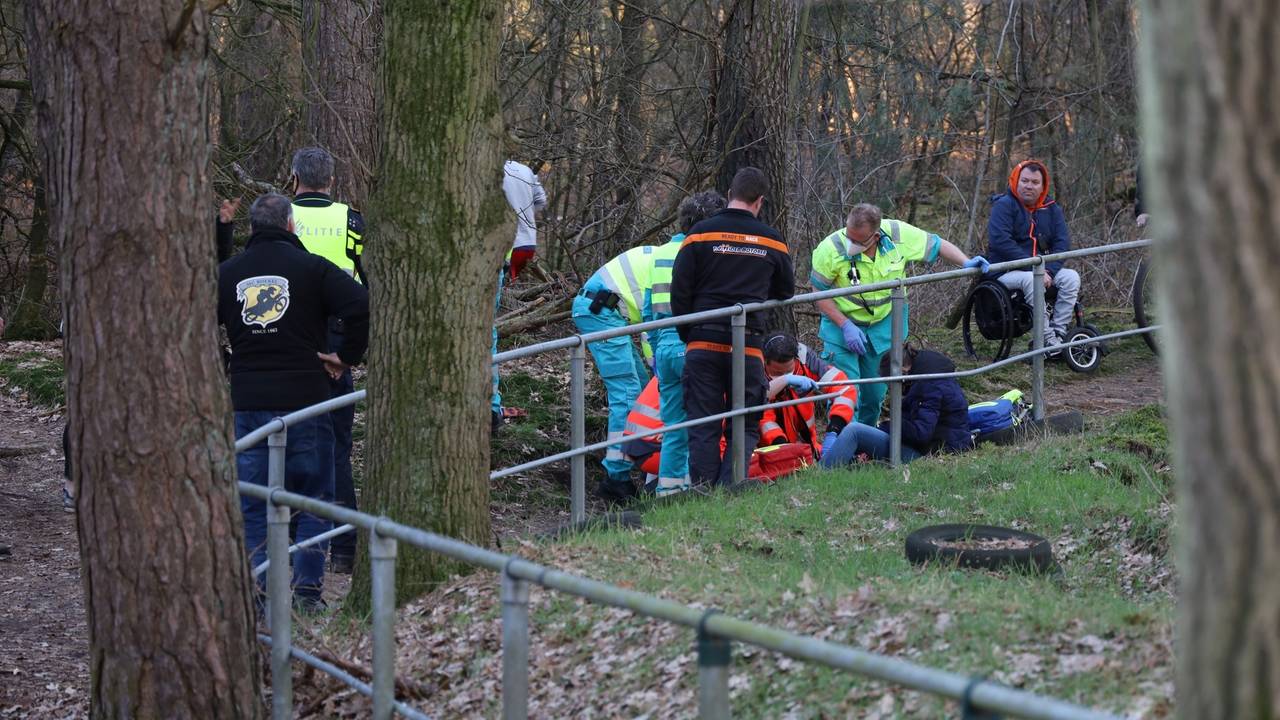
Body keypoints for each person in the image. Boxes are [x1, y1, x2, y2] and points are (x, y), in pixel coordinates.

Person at [218, 193, 369, 611]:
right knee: (314, 496)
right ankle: (306, 592)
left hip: (248, 402)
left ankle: (260, 592)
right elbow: (360, 302)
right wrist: (347, 356)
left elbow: (195, 317)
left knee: (254, 503)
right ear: (291, 225)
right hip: (307, 399)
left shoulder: (229, 273)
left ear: (252, 228)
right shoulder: (313, 268)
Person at [672, 167, 795, 488]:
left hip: (702, 341)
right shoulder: (772, 240)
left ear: (729, 195)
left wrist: (691, 334)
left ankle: (703, 489)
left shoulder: (699, 233)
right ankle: (730, 487)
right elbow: (785, 291)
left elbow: (680, 292)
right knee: (745, 421)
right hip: (749, 345)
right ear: (760, 201)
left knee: (703, 421)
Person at [811, 204, 988, 426]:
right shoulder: (831, 249)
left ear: (875, 236)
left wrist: (966, 262)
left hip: (883, 328)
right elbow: (818, 292)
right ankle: (843, 446)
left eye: (857, 241)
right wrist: (844, 324)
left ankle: (865, 442)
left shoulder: (897, 235)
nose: (851, 244)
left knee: (874, 395)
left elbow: (937, 244)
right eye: (849, 237)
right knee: (845, 392)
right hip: (841, 328)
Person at [288, 147, 366, 573]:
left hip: (293, 336)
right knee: (337, 447)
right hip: (337, 340)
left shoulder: (282, 217)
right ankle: (346, 549)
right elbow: (363, 275)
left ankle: (295, 542)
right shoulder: (351, 219)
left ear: (293, 176)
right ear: (332, 181)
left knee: (287, 442)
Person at [642, 190, 727, 497]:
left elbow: (648, 307)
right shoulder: (705, 249)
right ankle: (700, 485)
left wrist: (653, 350)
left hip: (664, 344)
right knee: (705, 421)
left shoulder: (660, 252)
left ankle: (669, 490)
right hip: (694, 341)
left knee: (674, 425)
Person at [572, 241, 660, 503]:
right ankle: (616, 478)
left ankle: (635, 461)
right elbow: (653, 328)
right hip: (599, 310)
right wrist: (658, 368)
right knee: (628, 394)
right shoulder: (673, 265)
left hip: (606, 310)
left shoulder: (667, 256)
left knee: (644, 391)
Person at [819, 344, 971, 466]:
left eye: (890, 384)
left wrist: (889, 426)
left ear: (903, 372)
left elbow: (921, 433)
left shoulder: (930, 386)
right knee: (863, 434)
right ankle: (838, 463)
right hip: (933, 448)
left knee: (855, 431)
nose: (891, 389)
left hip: (930, 455)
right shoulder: (930, 377)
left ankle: (822, 474)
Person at [986, 159, 1080, 354]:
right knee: (1032, 280)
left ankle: (1058, 333)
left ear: (1043, 185)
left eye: (1035, 182)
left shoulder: (1052, 208)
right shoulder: (1003, 205)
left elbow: (1062, 243)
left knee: (1071, 277)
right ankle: (1046, 341)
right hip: (1004, 271)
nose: (1029, 186)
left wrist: (1049, 271)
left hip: (1042, 269)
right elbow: (1000, 242)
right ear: (1016, 181)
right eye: (1025, 181)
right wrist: (1036, 270)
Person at [492, 159, 549, 432]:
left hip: (505, 244)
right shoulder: (524, 169)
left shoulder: (481, 165)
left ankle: (491, 404)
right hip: (526, 242)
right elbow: (541, 201)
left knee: (485, 327)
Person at [759, 332, 858, 461]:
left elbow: (845, 388)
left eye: (789, 371)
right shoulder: (753, 368)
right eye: (777, 373)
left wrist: (834, 430)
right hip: (767, 452)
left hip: (808, 447)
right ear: (765, 361)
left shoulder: (807, 361)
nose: (784, 376)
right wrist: (784, 450)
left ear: (796, 359)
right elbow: (762, 418)